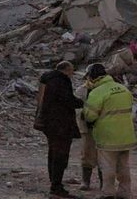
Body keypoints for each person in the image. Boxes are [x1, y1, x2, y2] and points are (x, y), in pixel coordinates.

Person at [83, 63, 136, 199]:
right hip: (126, 135)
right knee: (124, 166)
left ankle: (108, 193)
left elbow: (90, 116)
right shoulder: (123, 89)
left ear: (92, 77)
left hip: (107, 137)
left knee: (108, 166)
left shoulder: (97, 92)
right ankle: (125, 192)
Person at [37, 61, 82, 198]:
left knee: (53, 152)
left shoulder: (47, 80)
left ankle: (54, 182)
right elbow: (66, 100)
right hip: (60, 124)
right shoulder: (61, 81)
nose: (72, 74)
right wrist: (82, 103)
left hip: (48, 123)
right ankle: (56, 186)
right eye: (71, 71)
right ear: (66, 70)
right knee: (60, 155)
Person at [74, 70, 101, 191]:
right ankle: (86, 181)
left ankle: (104, 183)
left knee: (104, 157)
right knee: (86, 154)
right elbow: (76, 107)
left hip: (103, 127)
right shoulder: (82, 90)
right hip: (87, 127)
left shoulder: (105, 90)